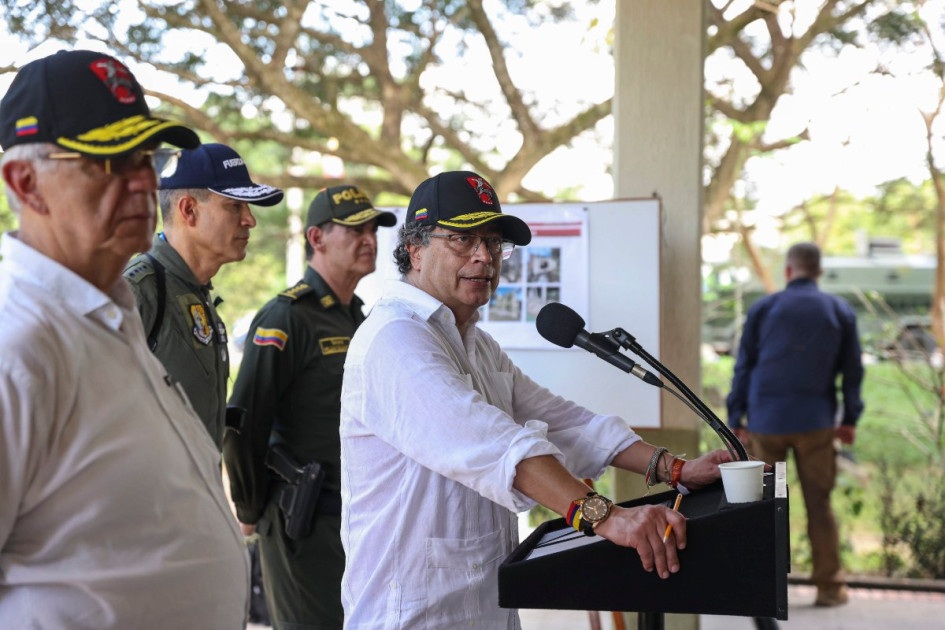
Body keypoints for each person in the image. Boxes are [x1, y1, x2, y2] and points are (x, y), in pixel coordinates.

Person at [339, 170, 731, 628]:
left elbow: (562, 422)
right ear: (415, 250)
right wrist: (606, 517)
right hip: (411, 613)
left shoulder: (476, 344)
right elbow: (495, 444)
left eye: (493, 242)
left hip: (486, 606)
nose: (484, 256)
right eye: (463, 240)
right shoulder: (394, 338)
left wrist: (676, 469)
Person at [0, 49, 248, 627]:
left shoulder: (107, 310)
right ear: (26, 183)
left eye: (145, 157)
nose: (143, 181)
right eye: (109, 162)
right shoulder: (19, 345)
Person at [223, 185, 397, 629]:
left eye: (373, 229)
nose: (369, 239)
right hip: (301, 520)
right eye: (355, 230)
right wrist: (250, 511)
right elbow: (244, 422)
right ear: (316, 238)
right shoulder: (287, 317)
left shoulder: (357, 317)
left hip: (357, 519)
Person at [726, 241, 864, 607]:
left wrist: (735, 417)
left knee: (764, 505)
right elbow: (853, 371)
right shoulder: (839, 310)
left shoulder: (764, 308)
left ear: (788, 271)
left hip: (766, 423)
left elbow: (744, 367)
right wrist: (850, 418)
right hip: (816, 423)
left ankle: (761, 591)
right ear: (818, 271)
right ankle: (830, 588)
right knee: (819, 504)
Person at [124, 142, 284, 449]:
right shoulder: (139, 292)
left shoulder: (195, 291)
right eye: (234, 206)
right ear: (189, 210)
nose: (250, 220)